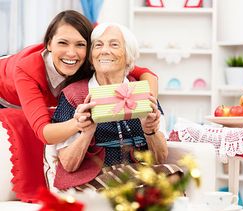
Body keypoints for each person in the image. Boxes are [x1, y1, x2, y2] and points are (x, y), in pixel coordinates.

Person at [0, 10, 158, 202]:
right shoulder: (27, 69)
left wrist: (148, 107)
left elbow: (146, 73)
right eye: (63, 43)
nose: (72, 52)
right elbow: (44, 132)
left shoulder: (86, 61)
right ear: (48, 44)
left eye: (80, 45)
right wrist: (80, 124)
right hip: (5, 93)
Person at [45, 22, 181, 192]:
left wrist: (150, 131)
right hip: (92, 179)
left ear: (128, 56)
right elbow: (68, 164)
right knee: (134, 191)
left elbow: (160, 157)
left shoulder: (142, 91)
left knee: (174, 176)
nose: (104, 51)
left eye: (114, 44)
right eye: (98, 45)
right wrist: (87, 132)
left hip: (137, 175)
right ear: (91, 57)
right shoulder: (74, 95)